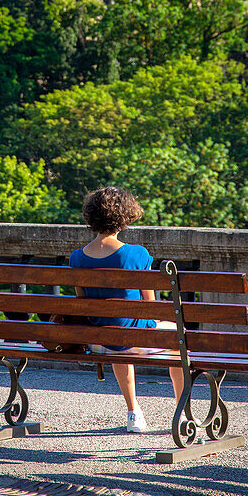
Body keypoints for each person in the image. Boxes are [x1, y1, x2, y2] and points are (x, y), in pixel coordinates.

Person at [69, 185, 184, 433]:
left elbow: (82, 305)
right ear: (124, 216)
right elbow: (149, 307)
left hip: (98, 342)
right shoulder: (136, 254)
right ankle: (182, 413)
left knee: (115, 331)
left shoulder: (76, 257)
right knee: (176, 335)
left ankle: (134, 413)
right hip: (131, 340)